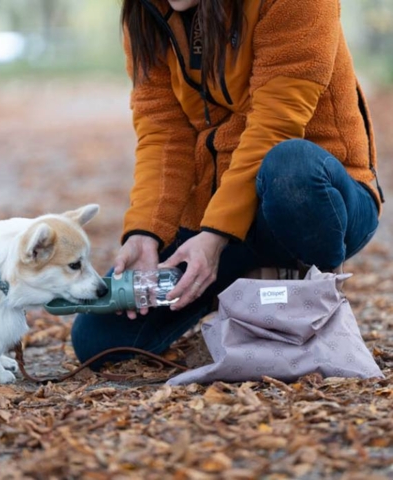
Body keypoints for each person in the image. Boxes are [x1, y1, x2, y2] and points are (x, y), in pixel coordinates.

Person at [72, 0, 384, 368]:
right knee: (99, 340)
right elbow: (162, 132)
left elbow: (275, 124)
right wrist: (147, 232)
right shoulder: (147, 11)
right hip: (216, 213)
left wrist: (216, 235)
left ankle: (318, 308)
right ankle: (242, 295)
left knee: (290, 167)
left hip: (319, 197)